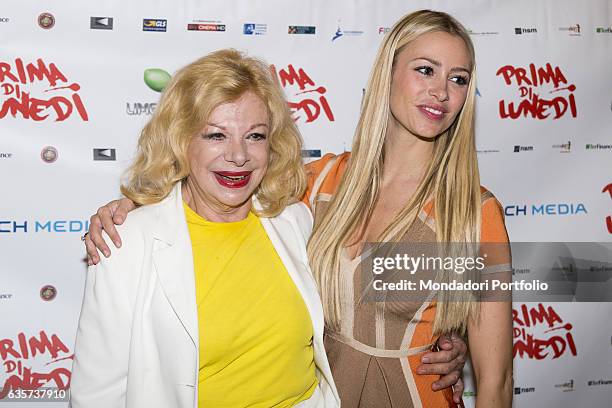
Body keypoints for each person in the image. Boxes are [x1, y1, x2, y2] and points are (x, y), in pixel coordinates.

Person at [85, 10, 512, 407]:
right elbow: (226, 182)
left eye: (458, 79)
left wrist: (451, 345)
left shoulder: (475, 213)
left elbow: (496, 380)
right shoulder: (318, 184)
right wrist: (135, 205)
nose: (441, 91)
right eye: (425, 70)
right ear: (388, 74)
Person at [71, 49, 340, 407]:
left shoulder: (294, 219)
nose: (239, 155)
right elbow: (97, 395)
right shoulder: (125, 242)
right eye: (216, 136)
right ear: (182, 141)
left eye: (255, 136)